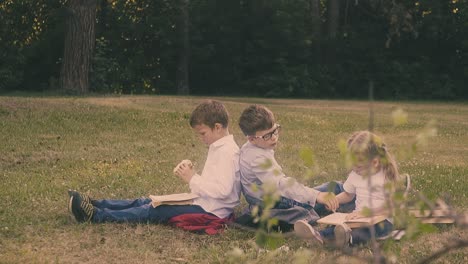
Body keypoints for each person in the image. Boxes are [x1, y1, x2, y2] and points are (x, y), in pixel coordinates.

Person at [68, 100, 241, 234]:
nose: (201, 138)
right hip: (201, 201)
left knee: (155, 209)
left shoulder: (227, 152)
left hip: (211, 211)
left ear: (217, 127)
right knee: (149, 200)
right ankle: (97, 204)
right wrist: (192, 174)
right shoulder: (219, 146)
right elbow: (214, 182)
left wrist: (192, 178)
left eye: (202, 133)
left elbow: (223, 191)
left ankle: (96, 215)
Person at [237, 105, 351, 229]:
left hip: (276, 198)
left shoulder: (258, 147)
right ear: (252, 139)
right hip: (272, 204)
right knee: (305, 211)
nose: (274, 137)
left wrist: (316, 195)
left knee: (333, 188)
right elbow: (281, 185)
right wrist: (317, 196)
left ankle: (351, 191)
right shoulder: (256, 158)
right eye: (267, 136)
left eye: (275, 130)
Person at [294, 130, 401, 247]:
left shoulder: (385, 177)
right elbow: (348, 194)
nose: (354, 168)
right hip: (358, 218)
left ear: (375, 162)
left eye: (359, 166)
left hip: (381, 222)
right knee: (339, 226)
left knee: (364, 232)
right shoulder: (356, 175)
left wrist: (365, 213)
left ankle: (346, 238)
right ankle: (318, 235)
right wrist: (335, 199)